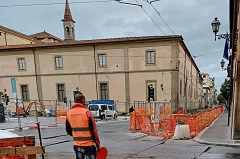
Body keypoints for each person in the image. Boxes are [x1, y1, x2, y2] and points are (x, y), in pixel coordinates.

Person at [66, 93, 100, 159]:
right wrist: (98, 145)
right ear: (83, 101)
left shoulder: (69, 113)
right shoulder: (87, 113)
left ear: (75, 101)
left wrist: (77, 135)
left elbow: (68, 130)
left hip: (77, 144)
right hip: (89, 145)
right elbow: (94, 131)